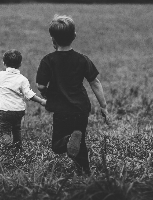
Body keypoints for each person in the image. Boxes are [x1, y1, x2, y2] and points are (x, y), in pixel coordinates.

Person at [36, 14, 110, 175]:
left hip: (61, 110)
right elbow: (95, 83)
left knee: (57, 145)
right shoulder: (82, 59)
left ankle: (69, 138)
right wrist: (103, 106)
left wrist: (47, 94)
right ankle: (85, 173)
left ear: (52, 39)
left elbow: (41, 85)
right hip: (81, 108)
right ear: (74, 36)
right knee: (79, 142)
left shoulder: (48, 60)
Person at [0, 49, 46, 151]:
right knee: (17, 129)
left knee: (5, 131)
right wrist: (41, 101)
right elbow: (29, 94)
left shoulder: (0, 75)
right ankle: (18, 150)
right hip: (18, 110)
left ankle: (6, 150)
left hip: (4, 110)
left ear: (4, 63)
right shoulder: (22, 79)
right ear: (20, 64)